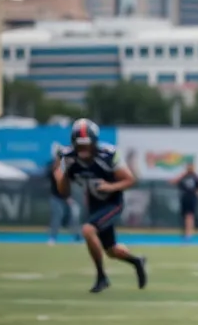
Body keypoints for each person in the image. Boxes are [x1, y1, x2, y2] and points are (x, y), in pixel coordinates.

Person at [54, 119, 147, 293]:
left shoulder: (107, 154)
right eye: (79, 145)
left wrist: (109, 186)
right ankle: (136, 261)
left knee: (88, 230)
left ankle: (101, 276)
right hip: (95, 205)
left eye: (87, 145)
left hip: (113, 202)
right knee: (111, 250)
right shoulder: (68, 157)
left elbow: (130, 179)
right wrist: (61, 173)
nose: (83, 150)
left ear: (94, 142)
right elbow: (64, 192)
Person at [45, 145, 80, 245]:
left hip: (67, 197)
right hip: (56, 197)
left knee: (73, 216)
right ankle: (52, 238)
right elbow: (55, 177)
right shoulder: (53, 166)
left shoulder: (69, 167)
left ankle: (77, 237)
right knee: (57, 216)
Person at [172, 161, 198, 242]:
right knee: (184, 216)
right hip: (184, 197)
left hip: (192, 197)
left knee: (190, 215)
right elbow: (174, 181)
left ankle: (189, 233)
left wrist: (197, 192)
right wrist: (183, 174)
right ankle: (185, 232)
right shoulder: (184, 176)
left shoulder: (195, 177)